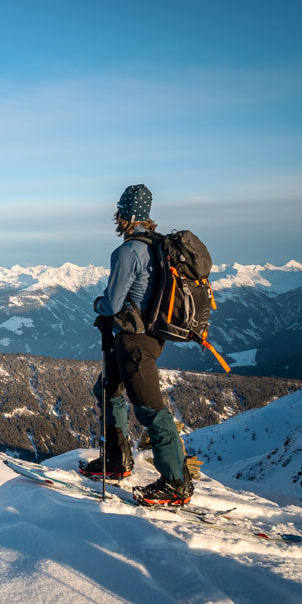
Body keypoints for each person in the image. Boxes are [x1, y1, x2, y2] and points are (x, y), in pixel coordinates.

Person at [84, 184, 193, 506]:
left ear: (126, 215)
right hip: (151, 336)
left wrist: (97, 304)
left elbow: (113, 303)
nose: (116, 217)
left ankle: (175, 483)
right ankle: (116, 460)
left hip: (134, 340)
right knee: (107, 389)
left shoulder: (128, 252)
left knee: (151, 409)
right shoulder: (158, 246)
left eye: (119, 211)